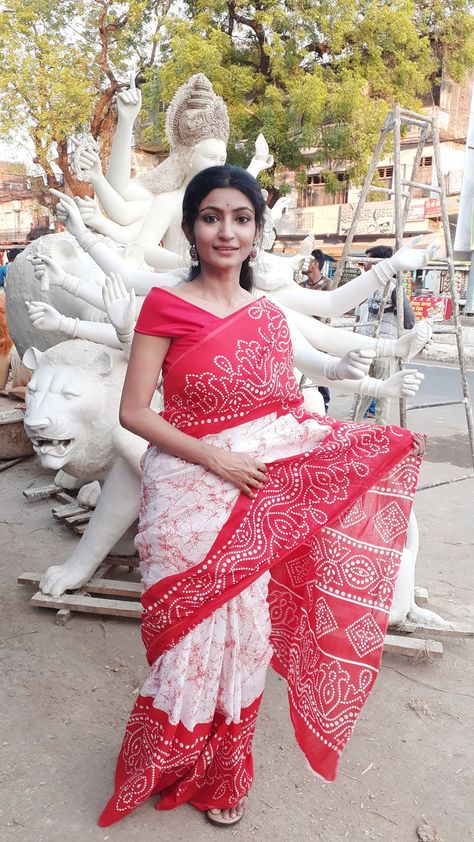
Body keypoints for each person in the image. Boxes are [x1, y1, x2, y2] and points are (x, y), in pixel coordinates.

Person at [85, 166, 424, 829]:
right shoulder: (164, 305)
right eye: (212, 216)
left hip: (252, 506)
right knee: (186, 641)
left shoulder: (267, 316)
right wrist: (216, 456)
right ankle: (166, 759)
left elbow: (286, 414)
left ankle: (223, 775)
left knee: (243, 639)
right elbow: (134, 412)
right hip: (186, 497)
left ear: (256, 232)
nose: (226, 230)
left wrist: (370, 438)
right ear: (189, 228)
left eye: (241, 218)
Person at [352, 244, 416, 424]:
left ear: (379, 263)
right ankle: (352, 428)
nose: (365, 265)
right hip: (366, 349)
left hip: (385, 351)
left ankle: (380, 433)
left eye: (369, 261)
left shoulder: (395, 289)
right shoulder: (369, 287)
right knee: (362, 391)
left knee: (382, 398)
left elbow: (409, 321)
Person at [300, 249, 332, 410]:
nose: (304, 265)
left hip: (319, 337)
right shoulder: (301, 286)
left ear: (315, 264)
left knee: (320, 373)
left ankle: (324, 405)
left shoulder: (327, 285)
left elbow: (325, 309)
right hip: (303, 336)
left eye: (308, 261)